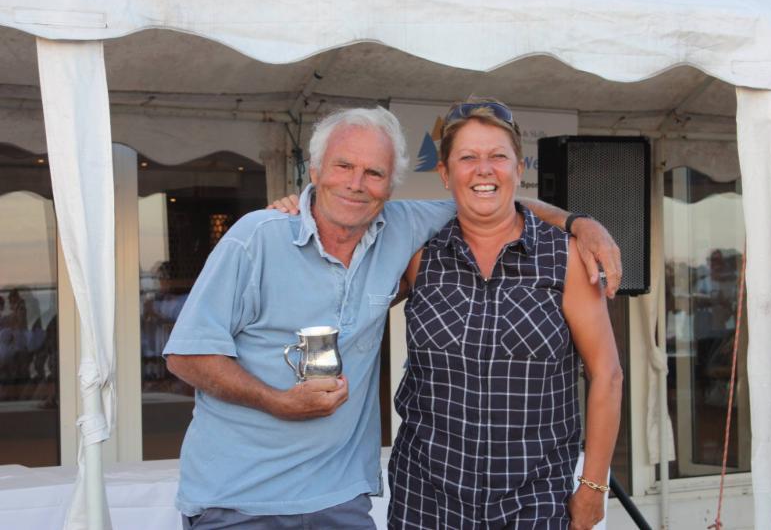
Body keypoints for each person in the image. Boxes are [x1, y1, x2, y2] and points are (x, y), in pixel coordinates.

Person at [165, 105, 620, 529]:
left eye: (374, 172)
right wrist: (277, 401)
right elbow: (186, 356)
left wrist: (583, 224)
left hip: (346, 501)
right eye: (343, 166)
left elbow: (499, 201)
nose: (356, 183)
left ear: (390, 185)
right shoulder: (259, 239)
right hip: (246, 503)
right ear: (315, 169)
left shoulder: (402, 233)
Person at [388, 99, 623, 529]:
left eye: (498, 157)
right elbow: (340, 261)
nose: (484, 169)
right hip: (425, 501)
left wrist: (593, 487)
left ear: (518, 170)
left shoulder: (566, 258)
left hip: (533, 503)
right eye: (467, 158)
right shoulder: (418, 255)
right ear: (445, 174)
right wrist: (296, 210)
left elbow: (607, 374)